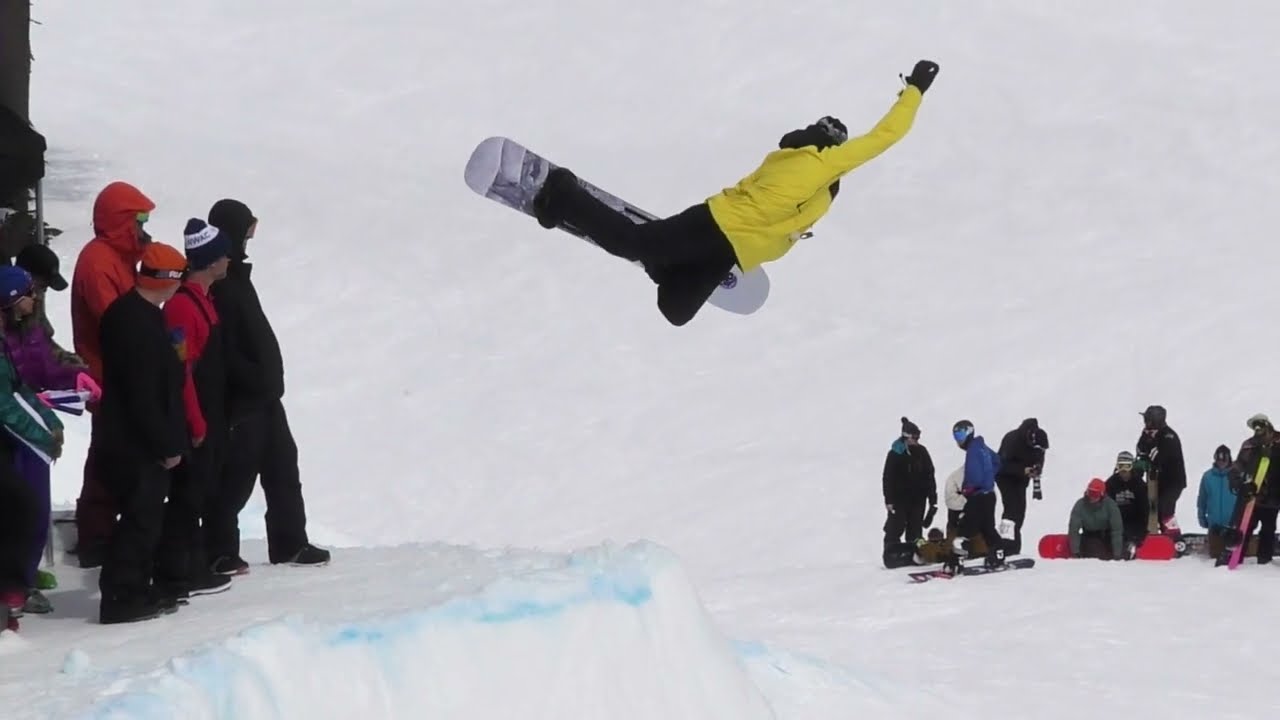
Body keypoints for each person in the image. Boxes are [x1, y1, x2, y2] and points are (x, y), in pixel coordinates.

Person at [529, 60, 939, 326]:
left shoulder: (820, 183)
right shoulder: (817, 163)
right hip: (715, 224)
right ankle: (562, 193)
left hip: (734, 252)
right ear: (831, 144)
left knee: (675, 310)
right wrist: (915, 89)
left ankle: (663, 259)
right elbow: (885, 136)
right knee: (632, 243)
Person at [205, 199, 329, 571]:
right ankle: (218, 550)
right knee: (236, 477)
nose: (249, 239)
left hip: (265, 396)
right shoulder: (220, 285)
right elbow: (223, 349)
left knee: (283, 467)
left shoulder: (238, 279)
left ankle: (290, 543)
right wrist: (255, 378)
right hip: (242, 401)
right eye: (246, 231)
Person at [95, 243, 188, 624]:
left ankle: (137, 585)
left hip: (136, 436)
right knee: (138, 517)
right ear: (165, 280)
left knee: (146, 517)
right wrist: (165, 444)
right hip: (133, 441)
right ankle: (122, 595)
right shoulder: (132, 322)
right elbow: (142, 394)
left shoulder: (142, 315)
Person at [70, 181, 155, 568]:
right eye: (139, 220)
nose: (144, 229)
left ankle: (102, 529)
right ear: (121, 222)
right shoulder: (99, 263)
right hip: (108, 375)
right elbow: (118, 322)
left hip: (120, 372)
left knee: (115, 453)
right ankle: (96, 535)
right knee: (107, 455)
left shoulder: (117, 256)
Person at [0, 265, 88, 613]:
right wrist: (42, 434)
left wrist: (50, 420)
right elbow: (6, 402)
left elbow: (22, 385)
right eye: (28, 294)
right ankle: (13, 586)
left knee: (27, 506)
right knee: (21, 507)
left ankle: (18, 581)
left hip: (18, 434)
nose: (35, 298)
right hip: (13, 436)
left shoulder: (25, 329)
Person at [155, 219, 234, 598]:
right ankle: (178, 570)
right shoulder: (183, 308)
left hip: (210, 411)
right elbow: (182, 371)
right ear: (211, 261)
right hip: (195, 416)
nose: (230, 259)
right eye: (224, 254)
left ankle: (192, 563)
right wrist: (197, 422)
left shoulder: (203, 300)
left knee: (199, 493)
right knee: (187, 495)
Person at [944, 419, 1004, 571]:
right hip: (989, 496)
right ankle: (998, 555)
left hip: (977, 497)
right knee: (987, 528)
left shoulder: (973, 450)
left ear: (969, 432)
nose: (958, 441)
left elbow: (974, 476)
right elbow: (997, 462)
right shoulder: (982, 447)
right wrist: (988, 478)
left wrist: (968, 488)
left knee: (964, 529)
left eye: (960, 436)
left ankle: (954, 563)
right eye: (956, 437)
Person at [14, 242, 84, 367]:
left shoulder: (35, 296)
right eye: (43, 284)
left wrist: (69, 361)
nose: (44, 290)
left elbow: (43, 342)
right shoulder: (8, 314)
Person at [1226, 414, 1280, 565]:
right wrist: (1240, 483)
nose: (1258, 429)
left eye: (1261, 425)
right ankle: (1237, 558)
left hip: (1274, 494)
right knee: (1246, 527)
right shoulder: (1249, 445)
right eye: (1255, 426)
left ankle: (1264, 562)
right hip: (1252, 495)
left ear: (1268, 425)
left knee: (1268, 528)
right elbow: (1237, 468)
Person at [993, 418, 1049, 554]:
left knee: (1020, 512)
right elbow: (1000, 465)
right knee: (1011, 511)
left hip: (1021, 480)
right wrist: (1022, 470)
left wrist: (1037, 469)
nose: (1040, 451)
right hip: (1004, 478)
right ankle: (1004, 546)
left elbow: (1039, 459)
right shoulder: (1012, 439)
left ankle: (1013, 547)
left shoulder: (1038, 446)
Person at [881, 417, 937, 547]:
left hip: (918, 499)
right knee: (895, 527)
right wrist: (889, 500)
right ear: (906, 437)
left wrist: (932, 499)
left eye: (918, 438)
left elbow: (930, 475)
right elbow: (888, 478)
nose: (917, 441)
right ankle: (892, 551)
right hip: (899, 499)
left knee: (915, 531)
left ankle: (915, 552)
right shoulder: (895, 454)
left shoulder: (922, 452)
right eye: (914, 438)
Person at [1133, 404, 1187, 539]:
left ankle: (1174, 537)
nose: (1145, 423)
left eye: (1148, 420)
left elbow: (1157, 458)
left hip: (1173, 481)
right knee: (1151, 509)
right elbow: (1141, 451)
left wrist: (1147, 452)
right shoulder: (1148, 433)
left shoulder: (1169, 436)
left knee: (1165, 508)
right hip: (1157, 480)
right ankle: (1156, 537)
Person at [1104, 450, 1148, 555]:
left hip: (1134, 522)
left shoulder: (1139, 484)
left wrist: (1141, 531)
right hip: (1116, 523)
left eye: (1127, 466)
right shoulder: (1111, 483)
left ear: (1131, 467)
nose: (1124, 471)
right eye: (1121, 466)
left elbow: (1144, 510)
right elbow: (1106, 508)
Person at [1197, 445, 1238, 557]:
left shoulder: (1237, 476)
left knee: (1234, 557)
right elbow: (1202, 499)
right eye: (1219, 460)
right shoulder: (1207, 477)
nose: (1221, 463)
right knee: (1215, 556)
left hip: (1233, 526)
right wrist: (1201, 517)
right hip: (1215, 526)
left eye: (1224, 460)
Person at [1068, 478, 1125, 560]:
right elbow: (1073, 529)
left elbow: (1117, 530)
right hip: (1089, 537)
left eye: (1095, 494)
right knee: (1095, 550)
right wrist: (1075, 551)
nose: (1092, 497)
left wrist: (1117, 554)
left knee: (1124, 550)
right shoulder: (1080, 505)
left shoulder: (1111, 505)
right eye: (1090, 493)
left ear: (1102, 494)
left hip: (1107, 537)